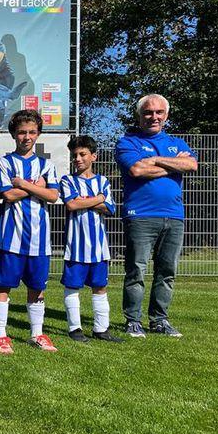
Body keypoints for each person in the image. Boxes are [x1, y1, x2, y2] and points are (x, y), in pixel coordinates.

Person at [114, 94, 197, 338]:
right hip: (140, 215)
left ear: (166, 115)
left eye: (159, 112)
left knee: (167, 271)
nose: (154, 117)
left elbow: (191, 165)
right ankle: (133, 320)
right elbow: (137, 170)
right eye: (148, 113)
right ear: (139, 116)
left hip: (174, 215)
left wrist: (156, 160)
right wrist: (173, 165)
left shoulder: (177, 142)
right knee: (136, 270)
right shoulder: (127, 142)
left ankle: (159, 320)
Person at [0, 109, 60, 354]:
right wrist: (35, 186)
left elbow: (53, 195)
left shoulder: (47, 165)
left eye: (31, 132)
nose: (26, 137)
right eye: (21, 132)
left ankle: (37, 334)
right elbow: (8, 194)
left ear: (38, 134)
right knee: (3, 286)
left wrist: (22, 183)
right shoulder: (4, 162)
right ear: (14, 134)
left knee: (37, 288)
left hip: (39, 240)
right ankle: (0, 335)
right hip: (11, 238)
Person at [60, 135, 123, 343]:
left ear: (93, 156)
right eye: (74, 155)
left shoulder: (103, 181)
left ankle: (101, 329)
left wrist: (85, 200)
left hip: (99, 248)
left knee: (100, 287)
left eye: (82, 154)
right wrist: (98, 199)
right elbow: (72, 205)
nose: (77, 159)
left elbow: (110, 208)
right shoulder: (67, 180)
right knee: (72, 287)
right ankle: (75, 329)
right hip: (75, 247)